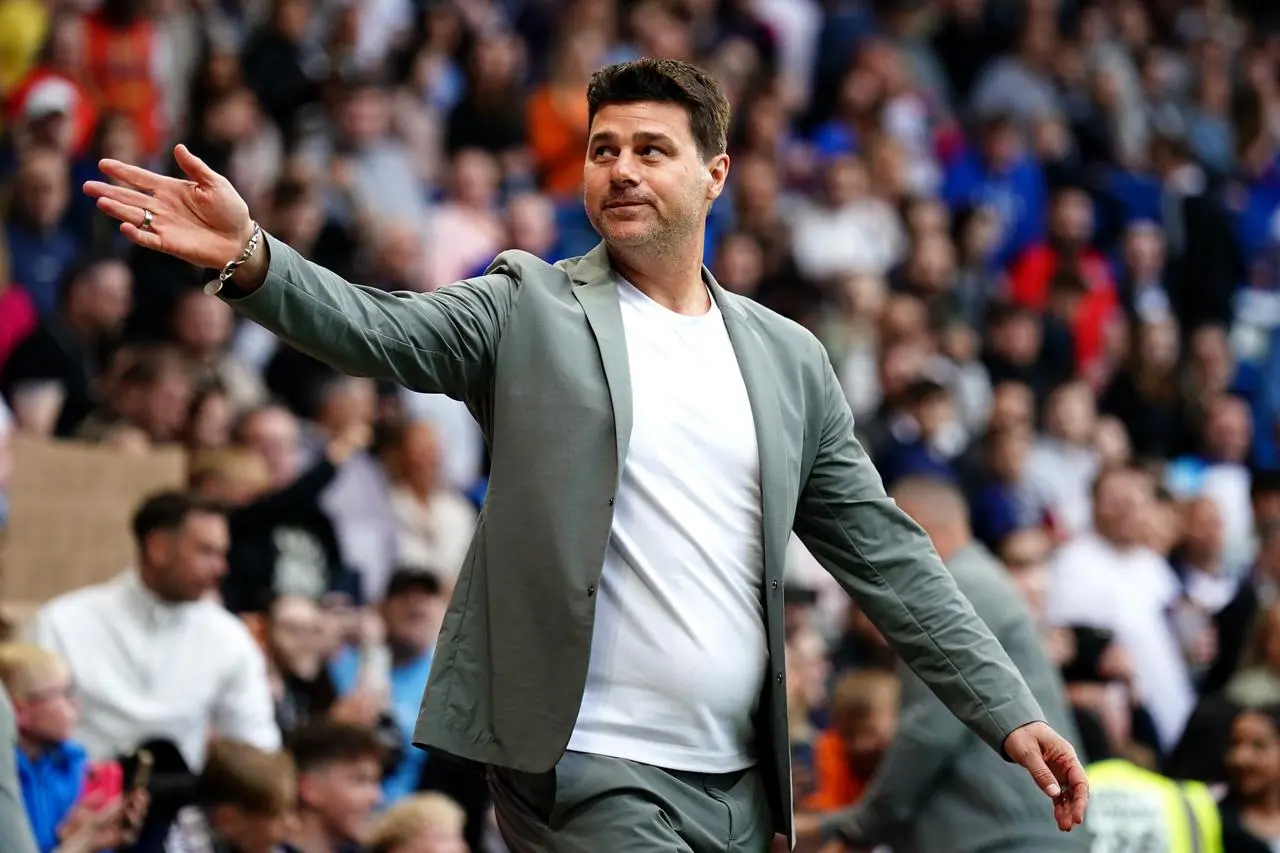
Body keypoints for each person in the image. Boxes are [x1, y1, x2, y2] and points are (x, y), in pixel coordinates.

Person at [84, 58, 1088, 853]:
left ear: (715, 174)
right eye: (604, 149)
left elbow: (886, 552)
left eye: (652, 149)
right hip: (584, 765)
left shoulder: (787, 358)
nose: (621, 168)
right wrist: (251, 256)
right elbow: (373, 329)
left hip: (737, 781)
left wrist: (1005, 708)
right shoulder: (526, 301)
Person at [804, 476, 1089, 853]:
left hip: (1006, 839)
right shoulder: (983, 580)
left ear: (911, 526)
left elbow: (928, 732)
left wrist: (856, 830)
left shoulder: (959, 589)